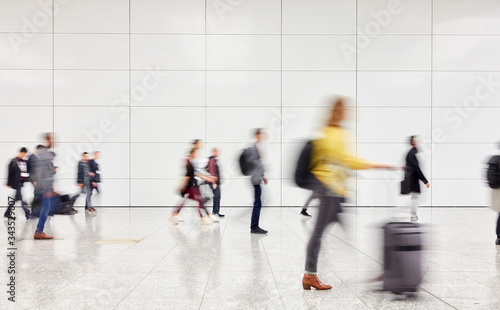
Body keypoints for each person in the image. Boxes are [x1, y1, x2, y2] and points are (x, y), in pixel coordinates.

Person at [302, 98, 393, 290]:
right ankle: (310, 275)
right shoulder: (333, 133)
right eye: (345, 109)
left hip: (335, 192)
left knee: (329, 233)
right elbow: (345, 160)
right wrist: (377, 165)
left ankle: (311, 274)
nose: (349, 112)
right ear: (339, 111)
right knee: (321, 234)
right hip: (330, 192)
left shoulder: (328, 132)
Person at [170, 148, 216, 225]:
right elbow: (187, 175)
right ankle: (203, 218)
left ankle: (173, 215)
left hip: (193, 185)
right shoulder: (189, 163)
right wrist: (182, 186)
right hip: (191, 186)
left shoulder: (192, 163)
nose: (197, 155)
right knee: (198, 201)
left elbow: (196, 174)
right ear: (192, 153)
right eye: (195, 153)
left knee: (189, 202)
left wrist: (208, 178)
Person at [403, 136, 430, 223]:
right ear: (413, 142)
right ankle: (412, 217)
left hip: (412, 179)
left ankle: (412, 216)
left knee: (415, 198)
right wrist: (425, 181)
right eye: (417, 141)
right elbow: (417, 168)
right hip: (413, 179)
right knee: (415, 199)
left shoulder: (411, 153)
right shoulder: (412, 153)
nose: (419, 142)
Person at [34, 133, 56, 239]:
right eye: (51, 139)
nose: (53, 141)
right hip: (44, 187)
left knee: (45, 207)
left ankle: (39, 230)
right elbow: (41, 172)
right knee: (45, 208)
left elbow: (45, 170)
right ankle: (38, 231)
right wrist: (46, 187)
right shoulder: (43, 153)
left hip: (46, 186)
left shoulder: (44, 154)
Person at [248, 128, 268, 234]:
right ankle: (254, 227)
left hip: (257, 177)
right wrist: (261, 170)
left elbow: (257, 162)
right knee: (257, 203)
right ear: (258, 135)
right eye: (262, 134)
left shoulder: (256, 146)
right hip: (255, 179)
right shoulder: (254, 147)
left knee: (258, 202)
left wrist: (263, 176)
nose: (263, 136)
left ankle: (254, 226)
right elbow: (253, 161)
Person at [4, 147, 31, 220]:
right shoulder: (14, 161)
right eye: (23, 154)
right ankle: (27, 213)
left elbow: (25, 171)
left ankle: (7, 213)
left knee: (16, 199)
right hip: (16, 183)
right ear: (21, 153)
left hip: (21, 183)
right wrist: (8, 183)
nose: (24, 155)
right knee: (21, 199)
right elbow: (10, 173)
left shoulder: (24, 161)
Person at [207, 148, 224, 218]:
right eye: (217, 151)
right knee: (216, 196)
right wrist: (214, 182)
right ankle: (215, 212)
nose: (218, 152)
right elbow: (212, 171)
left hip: (216, 182)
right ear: (214, 152)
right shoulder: (212, 160)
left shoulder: (214, 160)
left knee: (217, 197)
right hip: (214, 182)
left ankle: (216, 211)